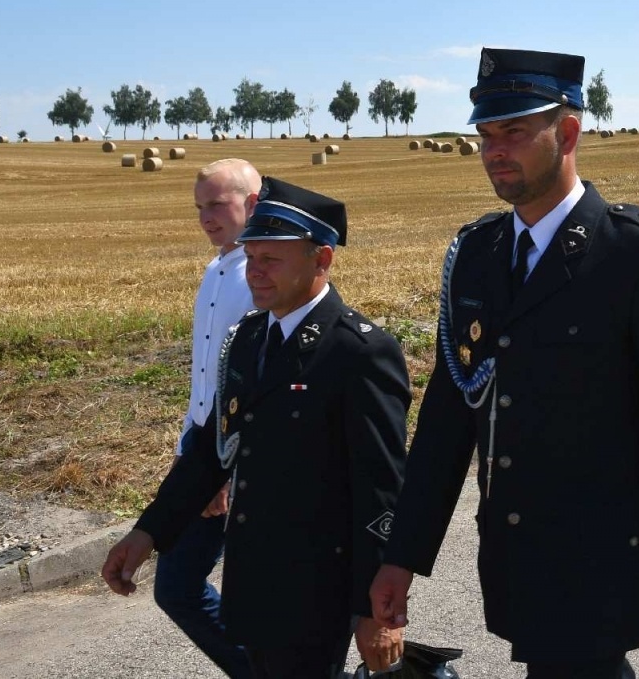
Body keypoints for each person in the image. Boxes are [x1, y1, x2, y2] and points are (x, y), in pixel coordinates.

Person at [370, 48, 639, 679]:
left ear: (567, 132)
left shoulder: (635, 254)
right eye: (486, 135)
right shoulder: (478, 254)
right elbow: (448, 420)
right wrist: (402, 555)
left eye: (514, 131)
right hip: (516, 553)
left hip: (600, 558)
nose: (494, 150)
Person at [102, 179, 411, 679]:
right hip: (254, 575)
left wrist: (373, 612)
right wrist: (148, 532)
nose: (255, 274)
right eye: (251, 258)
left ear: (322, 259)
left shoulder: (358, 351)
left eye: (272, 260)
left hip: (317, 588)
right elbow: (211, 450)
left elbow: (381, 490)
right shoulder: (248, 338)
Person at [154, 159, 262, 678]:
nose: (206, 217)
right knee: (179, 586)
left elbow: (250, 386)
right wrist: (187, 444)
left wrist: (222, 470)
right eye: (200, 207)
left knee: (181, 586)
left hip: (231, 457)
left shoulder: (263, 279)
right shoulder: (215, 270)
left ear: (253, 203)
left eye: (217, 204)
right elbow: (206, 375)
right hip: (201, 447)